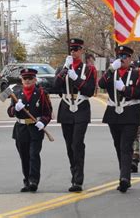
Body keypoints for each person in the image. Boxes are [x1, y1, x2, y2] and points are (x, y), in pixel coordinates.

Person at [98, 45, 140, 193]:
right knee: (118, 145)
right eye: (120, 56)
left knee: (126, 145)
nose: (122, 59)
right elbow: (101, 85)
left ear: (130, 59)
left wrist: (125, 90)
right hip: (114, 113)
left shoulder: (136, 74)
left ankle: (124, 178)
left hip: (130, 112)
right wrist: (111, 69)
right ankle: (123, 172)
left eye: (125, 56)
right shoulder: (112, 73)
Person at [54, 39, 96, 192]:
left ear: (82, 51)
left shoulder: (89, 70)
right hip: (66, 109)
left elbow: (90, 91)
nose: (74, 52)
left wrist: (76, 78)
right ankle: (74, 174)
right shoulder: (62, 68)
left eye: (76, 49)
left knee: (77, 143)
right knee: (69, 145)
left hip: (81, 109)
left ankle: (78, 180)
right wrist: (65, 70)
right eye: (71, 49)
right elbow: (55, 86)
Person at [7, 68, 53, 192]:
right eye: (25, 78)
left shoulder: (41, 93)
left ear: (35, 79)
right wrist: (15, 108)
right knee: (24, 156)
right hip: (20, 129)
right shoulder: (16, 93)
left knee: (34, 155)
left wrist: (42, 122)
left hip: (35, 129)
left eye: (30, 78)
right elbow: (10, 112)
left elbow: (48, 113)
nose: (27, 81)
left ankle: (34, 181)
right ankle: (27, 180)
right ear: (21, 80)